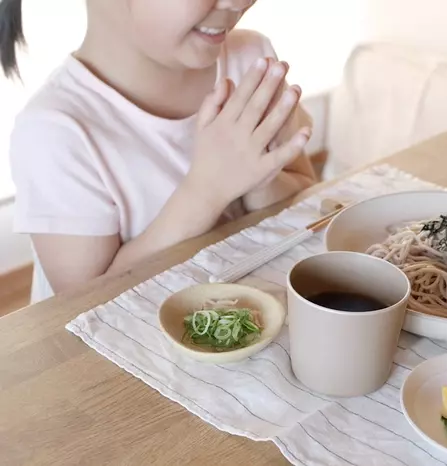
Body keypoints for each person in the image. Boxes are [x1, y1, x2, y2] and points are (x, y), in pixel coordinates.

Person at [0, 0, 316, 302]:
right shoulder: (55, 131)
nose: (240, 2)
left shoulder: (251, 60)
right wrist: (207, 191)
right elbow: (84, 305)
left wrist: (259, 182)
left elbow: (309, 199)